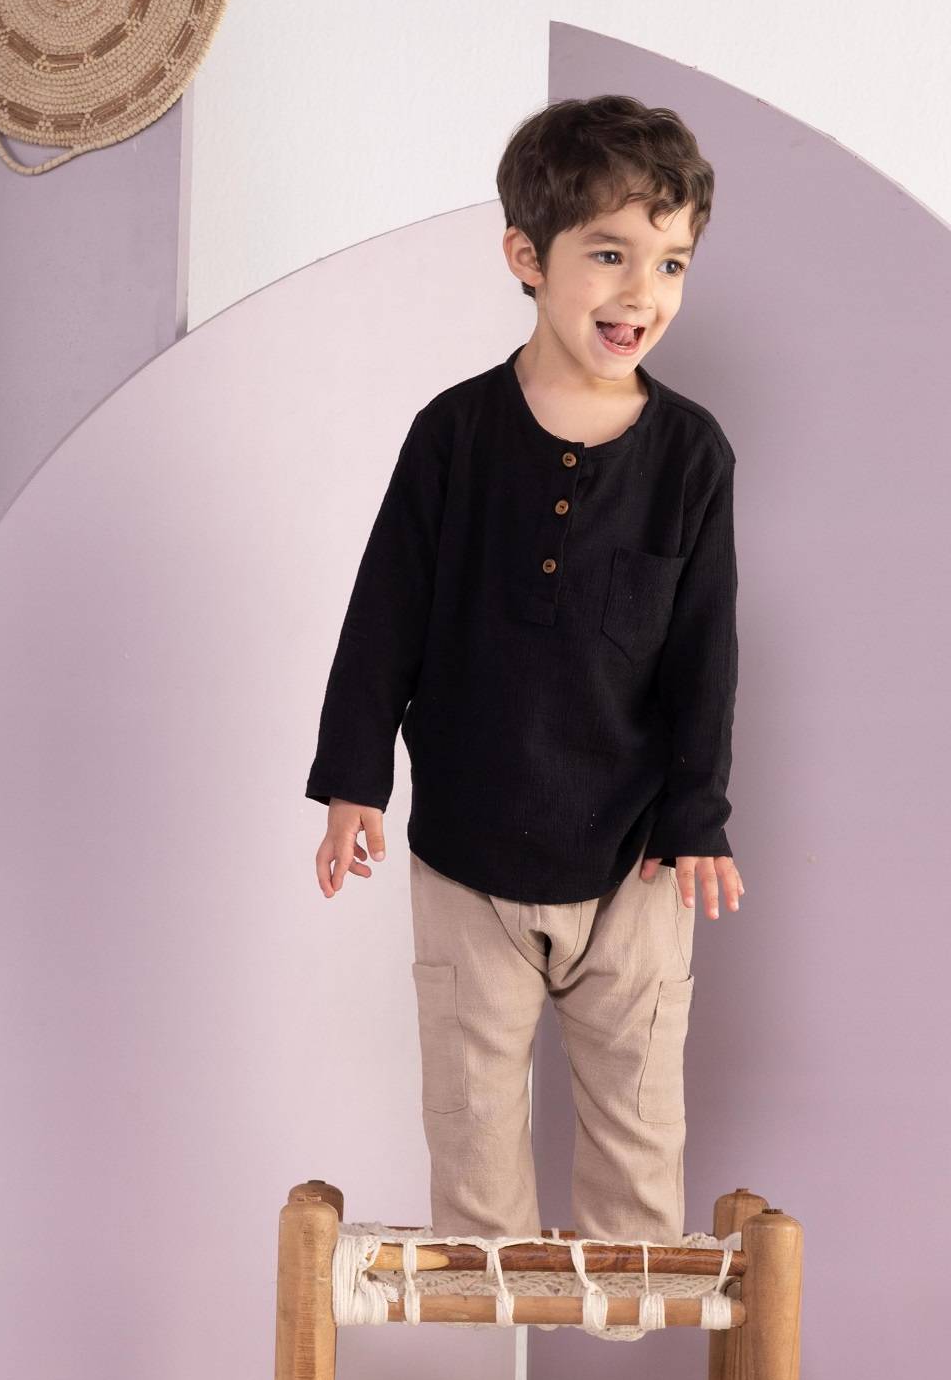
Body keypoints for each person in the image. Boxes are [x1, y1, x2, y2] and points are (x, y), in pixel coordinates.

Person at [305, 94, 744, 1244]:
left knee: (639, 1137)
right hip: (468, 853)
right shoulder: (451, 435)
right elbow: (383, 614)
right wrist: (353, 779)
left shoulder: (690, 454)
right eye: (608, 253)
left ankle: (621, 1318)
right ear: (525, 256)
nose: (641, 291)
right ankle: (488, 1317)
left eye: (669, 262)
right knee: (473, 1137)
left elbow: (704, 650)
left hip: (635, 861)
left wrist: (696, 816)